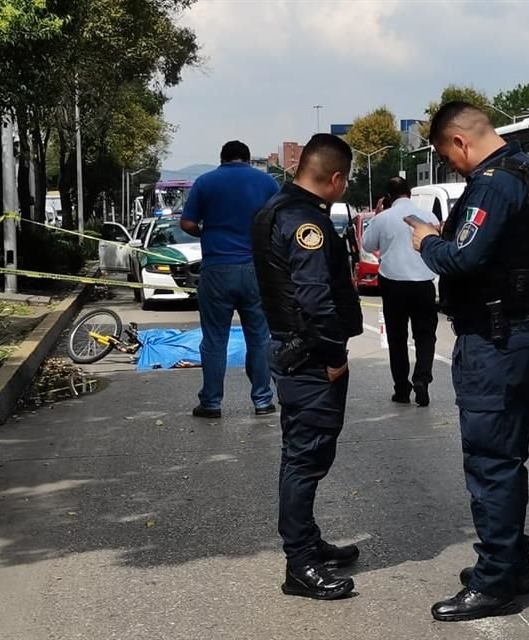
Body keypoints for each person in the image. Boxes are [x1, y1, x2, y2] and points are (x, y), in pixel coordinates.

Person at [405, 102, 529, 622]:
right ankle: (510, 563)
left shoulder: (493, 184)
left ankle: (494, 582)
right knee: (507, 458)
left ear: (459, 143)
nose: (452, 167)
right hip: (517, 333)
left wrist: (427, 242)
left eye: (448, 157)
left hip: (492, 342)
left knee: (490, 462)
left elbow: (464, 257)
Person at [251, 134, 363, 601]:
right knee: (306, 458)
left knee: (300, 452)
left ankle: (307, 541)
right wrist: (335, 357)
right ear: (335, 178)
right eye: (346, 180)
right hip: (311, 357)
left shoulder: (275, 208)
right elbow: (315, 298)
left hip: (291, 349)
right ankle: (300, 564)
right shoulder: (304, 222)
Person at [180, 140, 279, 419]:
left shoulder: (205, 182)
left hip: (216, 269)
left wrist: (207, 233)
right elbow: (280, 220)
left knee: (214, 339)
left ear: (222, 159)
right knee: (260, 337)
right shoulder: (267, 183)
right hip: (255, 269)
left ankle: (211, 403)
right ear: (247, 159)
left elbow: (186, 223)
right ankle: (262, 400)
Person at [361, 176, 439, 406]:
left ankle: (402, 388)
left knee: (396, 338)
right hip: (424, 282)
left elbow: (367, 245)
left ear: (387, 198)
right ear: (410, 194)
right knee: (425, 336)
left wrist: (376, 217)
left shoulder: (383, 218)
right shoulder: (428, 216)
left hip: (393, 283)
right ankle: (422, 378)